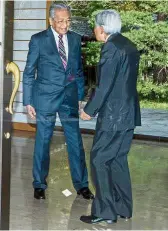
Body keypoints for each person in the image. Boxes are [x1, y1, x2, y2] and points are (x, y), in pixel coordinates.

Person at [22, 3, 93, 200]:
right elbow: (29, 72)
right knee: (43, 142)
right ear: (51, 21)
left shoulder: (76, 39)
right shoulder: (38, 40)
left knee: (75, 142)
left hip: (69, 99)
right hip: (44, 98)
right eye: (61, 21)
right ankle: (39, 184)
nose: (65, 25)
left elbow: (78, 71)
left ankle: (82, 185)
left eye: (68, 20)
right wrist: (28, 101)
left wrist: (79, 98)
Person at [79, 10, 141, 224]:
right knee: (117, 161)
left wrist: (89, 109)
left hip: (114, 115)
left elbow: (105, 85)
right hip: (129, 113)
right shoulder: (128, 44)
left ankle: (104, 212)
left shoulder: (111, 47)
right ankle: (124, 207)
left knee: (99, 159)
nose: (94, 30)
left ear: (102, 28)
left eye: (95, 26)